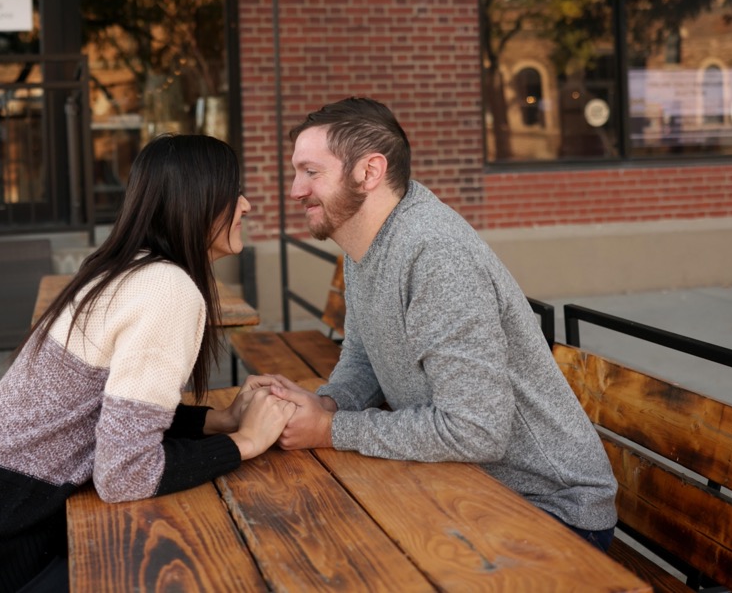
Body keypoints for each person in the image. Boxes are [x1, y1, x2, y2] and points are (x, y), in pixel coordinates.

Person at [0, 134, 295, 592]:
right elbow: (124, 473)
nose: (247, 205)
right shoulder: (167, 289)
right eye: (232, 193)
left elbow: (114, 418)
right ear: (196, 202)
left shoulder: (127, 268)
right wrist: (246, 443)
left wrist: (219, 421)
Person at [257, 97, 618, 550]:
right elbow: (364, 355)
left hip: (549, 509)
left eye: (311, 172)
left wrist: (331, 431)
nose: (295, 190)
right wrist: (325, 406)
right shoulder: (363, 238)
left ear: (368, 172)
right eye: (297, 172)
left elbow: (475, 430)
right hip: (463, 483)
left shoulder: (436, 255)